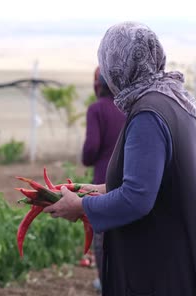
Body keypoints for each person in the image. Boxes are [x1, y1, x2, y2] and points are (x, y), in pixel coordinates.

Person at [43, 22, 196, 295]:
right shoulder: (174, 98)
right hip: (182, 257)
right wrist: (91, 191)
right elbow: (156, 183)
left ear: (118, 66)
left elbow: (137, 198)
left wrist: (82, 207)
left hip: (164, 271)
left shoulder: (148, 113)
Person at [81, 66, 125, 294]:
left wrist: (88, 158)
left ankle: (106, 283)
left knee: (102, 237)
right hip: (127, 182)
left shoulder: (97, 110)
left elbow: (90, 149)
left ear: (98, 85)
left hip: (102, 182)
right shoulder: (129, 108)